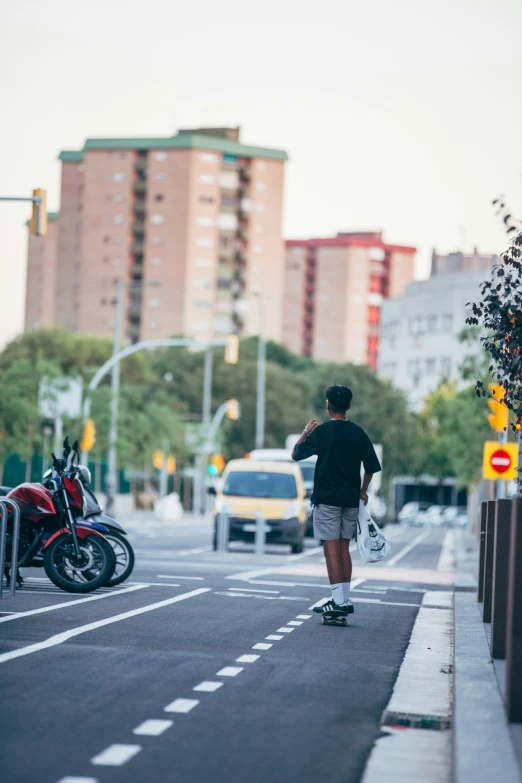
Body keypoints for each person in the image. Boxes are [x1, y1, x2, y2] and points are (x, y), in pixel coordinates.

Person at [292, 384, 381, 616]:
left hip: (328, 499)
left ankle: (338, 602)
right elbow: (371, 466)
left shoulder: (321, 433)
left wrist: (306, 431)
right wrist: (363, 490)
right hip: (350, 500)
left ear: (328, 406)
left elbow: (296, 454)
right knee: (343, 550)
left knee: (330, 550)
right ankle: (344, 599)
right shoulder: (358, 433)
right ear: (349, 407)